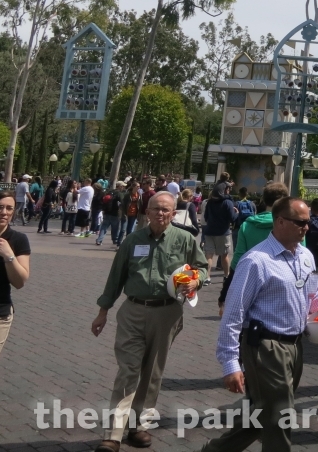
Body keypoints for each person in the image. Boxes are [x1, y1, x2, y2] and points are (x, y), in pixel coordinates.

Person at [202, 197, 318, 452]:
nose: (307, 227)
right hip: (265, 347)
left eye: (308, 222)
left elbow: (314, 294)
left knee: (263, 412)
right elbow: (233, 315)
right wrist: (230, 363)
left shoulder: (305, 256)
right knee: (280, 416)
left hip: (295, 345)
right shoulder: (256, 261)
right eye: (300, 222)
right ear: (280, 222)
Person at [90, 193, 208, 452]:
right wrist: (103, 311)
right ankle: (113, 434)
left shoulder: (185, 239)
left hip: (167, 313)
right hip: (133, 310)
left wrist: (196, 280)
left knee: (152, 373)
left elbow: (202, 268)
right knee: (129, 370)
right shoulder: (132, 240)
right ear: (147, 210)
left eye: (166, 210)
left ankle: (139, 426)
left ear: (174, 212)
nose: (160, 214)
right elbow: (115, 278)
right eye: (155, 209)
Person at [219, 181, 291, 317]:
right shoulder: (292, 226)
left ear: (264, 200)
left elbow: (238, 261)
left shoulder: (248, 225)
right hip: (282, 288)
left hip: (252, 286)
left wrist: (225, 292)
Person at [0, 189, 31, 381]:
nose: (4, 212)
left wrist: (9, 256)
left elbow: (20, 281)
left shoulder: (18, 240)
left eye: (9, 208)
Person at [202, 182, 239, 277]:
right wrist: (237, 213)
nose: (229, 191)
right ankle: (227, 275)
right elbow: (232, 218)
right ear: (224, 190)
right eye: (228, 189)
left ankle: (207, 277)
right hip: (223, 232)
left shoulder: (210, 202)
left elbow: (206, 217)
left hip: (209, 231)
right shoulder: (228, 202)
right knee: (224, 255)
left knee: (209, 255)